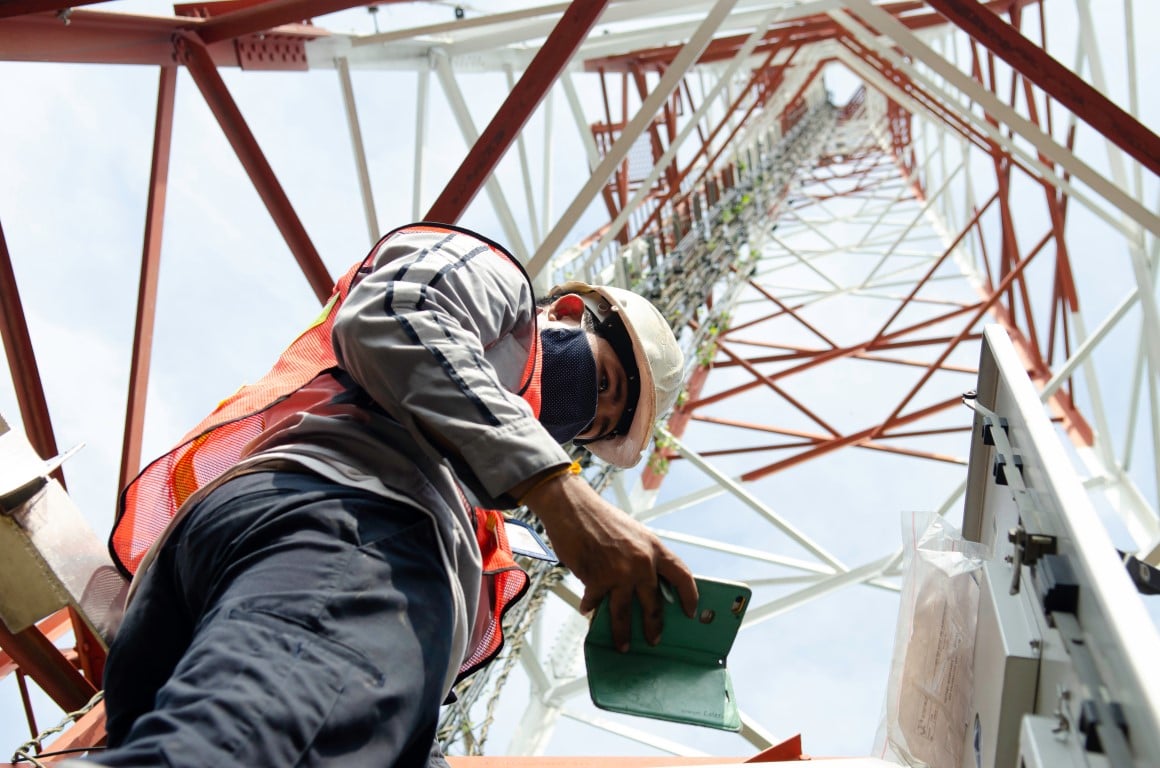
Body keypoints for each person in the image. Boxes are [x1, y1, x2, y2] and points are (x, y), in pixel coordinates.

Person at [90, 222, 699, 767]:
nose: (585, 412)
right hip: (344, 524)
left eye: (595, 424)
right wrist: (556, 488)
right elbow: (391, 312)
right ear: (568, 312)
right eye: (603, 381)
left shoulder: (486, 489)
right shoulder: (498, 287)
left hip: (296, 573)